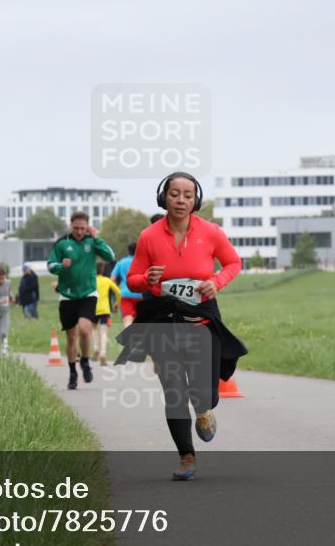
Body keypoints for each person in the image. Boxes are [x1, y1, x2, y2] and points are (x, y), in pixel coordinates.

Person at [116, 172, 247, 480]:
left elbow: (233, 263)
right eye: (175, 193)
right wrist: (147, 280)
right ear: (164, 197)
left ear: (195, 200)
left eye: (188, 195)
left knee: (205, 393)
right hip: (162, 319)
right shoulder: (149, 235)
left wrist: (215, 282)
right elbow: (133, 278)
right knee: (174, 390)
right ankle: (186, 457)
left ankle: (203, 410)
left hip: (200, 317)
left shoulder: (211, 232)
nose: (181, 200)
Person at [47, 211, 115, 390]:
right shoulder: (62, 244)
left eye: (82, 228)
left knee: (85, 330)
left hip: (88, 294)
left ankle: (84, 361)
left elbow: (110, 256)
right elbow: (50, 265)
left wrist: (97, 237)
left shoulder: (92, 242)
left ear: (88, 227)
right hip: (67, 296)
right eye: (76, 228)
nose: (79, 231)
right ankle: (72, 373)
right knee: (71, 337)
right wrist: (62, 266)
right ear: (71, 226)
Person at [93, 260, 122, 365]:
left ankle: (95, 347)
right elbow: (118, 292)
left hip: (92, 308)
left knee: (94, 329)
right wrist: (117, 304)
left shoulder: (91, 280)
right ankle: (103, 353)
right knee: (104, 332)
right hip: (105, 309)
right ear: (103, 270)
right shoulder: (107, 280)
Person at [112, 243, 143, 327]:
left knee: (127, 318)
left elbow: (112, 279)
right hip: (141, 294)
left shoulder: (121, 262)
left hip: (125, 294)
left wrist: (117, 290)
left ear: (128, 251)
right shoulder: (143, 261)